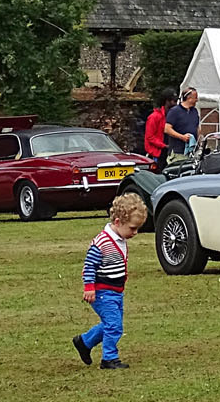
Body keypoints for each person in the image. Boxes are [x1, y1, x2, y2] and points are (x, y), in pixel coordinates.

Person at [74, 193, 147, 371]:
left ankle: (84, 342)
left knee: (112, 324)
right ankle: (109, 358)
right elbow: (89, 266)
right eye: (132, 228)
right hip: (102, 292)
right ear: (118, 222)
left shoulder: (120, 238)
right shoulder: (102, 242)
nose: (135, 233)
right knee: (114, 325)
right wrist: (89, 287)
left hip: (116, 292)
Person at [142, 89, 174, 171]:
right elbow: (150, 137)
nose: (175, 103)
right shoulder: (154, 117)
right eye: (173, 101)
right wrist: (164, 145)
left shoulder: (169, 116)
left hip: (167, 152)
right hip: (156, 154)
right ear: (167, 101)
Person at [166, 88, 201, 157]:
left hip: (192, 152)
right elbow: (167, 129)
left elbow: (197, 128)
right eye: (195, 97)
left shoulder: (194, 111)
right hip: (178, 152)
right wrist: (182, 137)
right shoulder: (174, 111)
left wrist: (200, 142)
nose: (197, 100)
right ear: (189, 98)